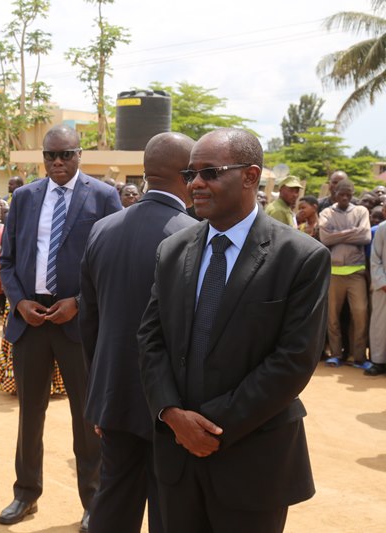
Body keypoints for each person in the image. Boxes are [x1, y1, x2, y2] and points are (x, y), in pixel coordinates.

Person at [138, 128, 330, 533]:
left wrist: (208, 427)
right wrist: (171, 414)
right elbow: (151, 339)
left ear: (250, 176)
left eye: (209, 172)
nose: (195, 183)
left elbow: (293, 361)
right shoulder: (172, 250)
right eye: (190, 174)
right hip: (178, 456)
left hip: (253, 462)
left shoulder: (300, 257)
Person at [0, 124, 121, 530]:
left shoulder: (103, 197)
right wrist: (20, 302)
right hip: (31, 320)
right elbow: (7, 261)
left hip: (78, 322)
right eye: (50, 155)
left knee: (86, 417)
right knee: (29, 414)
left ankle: (93, 501)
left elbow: (111, 263)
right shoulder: (24, 197)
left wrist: (80, 304)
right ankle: (25, 493)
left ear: (79, 154)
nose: (57, 162)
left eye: (65, 154)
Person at [80, 132, 197, 533]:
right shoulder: (193, 235)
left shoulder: (102, 229)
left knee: (113, 503)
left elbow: (89, 321)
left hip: (113, 395)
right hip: (171, 405)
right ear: (187, 175)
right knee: (169, 508)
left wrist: (100, 394)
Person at [319, 179, 371, 368]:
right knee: (332, 316)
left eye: (348, 194)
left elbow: (365, 236)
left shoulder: (361, 211)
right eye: (342, 194)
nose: (345, 198)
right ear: (335, 194)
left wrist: (337, 234)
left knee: (360, 314)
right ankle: (335, 354)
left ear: (352, 195)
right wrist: (352, 232)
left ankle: (359, 357)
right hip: (334, 273)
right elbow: (325, 238)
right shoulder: (327, 213)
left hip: (356, 272)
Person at [367, 212, 386, 376]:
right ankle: (378, 362)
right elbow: (375, 259)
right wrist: (382, 282)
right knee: (380, 324)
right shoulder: (382, 229)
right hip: (383, 287)